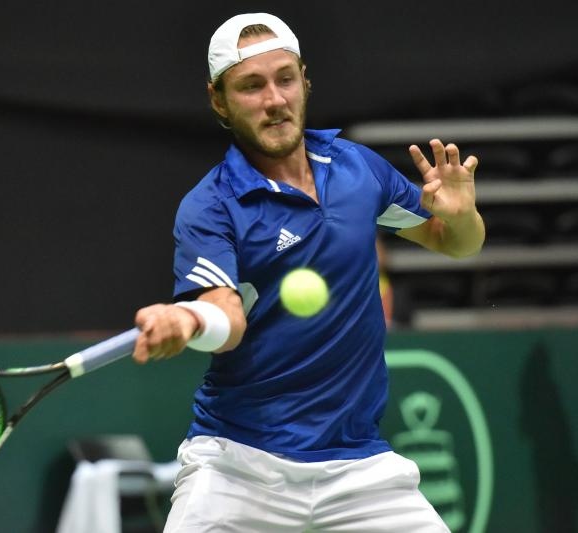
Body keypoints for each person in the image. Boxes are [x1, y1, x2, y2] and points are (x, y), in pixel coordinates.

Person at [132, 12, 484, 533]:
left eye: (285, 79)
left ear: (305, 80)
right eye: (251, 86)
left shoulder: (357, 169)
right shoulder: (212, 207)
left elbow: (455, 245)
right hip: (240, 469)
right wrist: (187, 322)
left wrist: (461, 216)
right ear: (218, 100)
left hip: (361, 469)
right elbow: (225, 318)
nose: (274, 99)